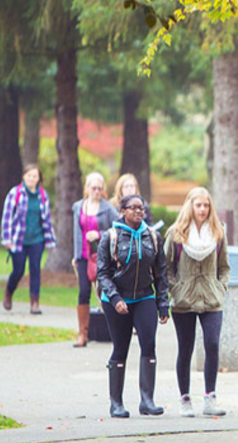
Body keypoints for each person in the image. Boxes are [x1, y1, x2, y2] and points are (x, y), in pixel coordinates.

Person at [96, 194, 170, 418]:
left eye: (142, 208)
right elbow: (103, 273)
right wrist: (116, 298)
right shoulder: (111, 237)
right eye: (134, 208)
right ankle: (116, 403)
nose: (139, 212)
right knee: (121, 348)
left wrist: (163, 304)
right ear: (123, 211)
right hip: (116, 300)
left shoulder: (153, 237)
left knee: (149, 345)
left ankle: (147, 401)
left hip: (144, 297)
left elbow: (161, 273)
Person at [164, 187, 230, 418]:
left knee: (212, 344)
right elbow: (167, 267)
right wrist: (176, 288)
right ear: (190, 206)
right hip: (184, 300)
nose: (202, 209)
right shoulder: (176, 233)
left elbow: (224, 267)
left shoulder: (218, 232)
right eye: (198, 205)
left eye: (206, 205)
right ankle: (185, 398)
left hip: (212, 299)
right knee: (186, 348)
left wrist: (221, 287)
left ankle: (210, 396)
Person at [0, 164, 58, 315]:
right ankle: (9, 291)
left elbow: (47, 220)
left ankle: (35, 303)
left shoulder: (42, 195)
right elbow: (7, 217)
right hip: (18, 239)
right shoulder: (15, 193)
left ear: (39, 179)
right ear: (23, 176)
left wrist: (51, 240)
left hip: (37, 239)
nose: (31, 178)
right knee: (18, 270)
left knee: (35, 269)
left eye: (35, 176)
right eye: (29, 175)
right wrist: (7, 240)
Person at [72, 173, 118, 347]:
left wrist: (99, 234)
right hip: (83, 256)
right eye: (93, 188)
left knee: (105, 291)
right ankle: (82, 334)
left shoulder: (107, 208)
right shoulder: (78, 207)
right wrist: (76, 256)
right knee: (84, 291)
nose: (97, 191)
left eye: (100, 188)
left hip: (102, 256)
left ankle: (114, 330)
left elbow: (118, 228)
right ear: (87, 188)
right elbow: (76, 233)